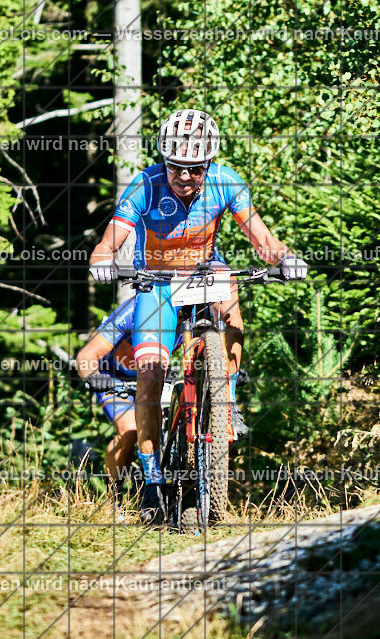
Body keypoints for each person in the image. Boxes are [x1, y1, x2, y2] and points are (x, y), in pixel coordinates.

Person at [87, 108, 308, 524]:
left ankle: (226, 401)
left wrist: (285, 258)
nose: (185, 177)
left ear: (209, 163)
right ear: (163, 161)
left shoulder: (226, 181)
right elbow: (108, 242)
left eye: (195, 168)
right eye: (176, 168)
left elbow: (262, 239)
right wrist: (102, 260)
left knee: (231, 296)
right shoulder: (146, 185)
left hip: (206, 271)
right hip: (157, 283)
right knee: (150, 375)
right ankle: (153, 481)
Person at [75, 294, 246, 518]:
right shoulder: (134, 311)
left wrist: (221, 371)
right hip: (115, 379)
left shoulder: (192, 315)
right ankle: (114, 499)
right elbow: (86, 355)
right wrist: (93, 376)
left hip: (155, 376)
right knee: (130, 430)